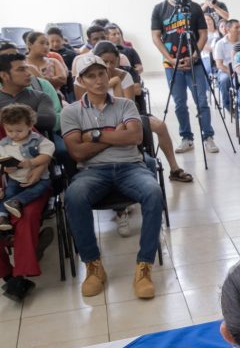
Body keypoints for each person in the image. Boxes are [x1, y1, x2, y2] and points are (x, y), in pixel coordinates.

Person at [61, 55, 163, 299]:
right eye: (91, 76)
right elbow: (77, 153)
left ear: (108, 75)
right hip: (92, 171)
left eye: (101, 74)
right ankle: (93, 266)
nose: (98, 80)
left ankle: (144, 267)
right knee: (74, 195)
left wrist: (94, 136)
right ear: (81, 80)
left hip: (130, 166)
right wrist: (115, 135)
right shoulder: (71, 112)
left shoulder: (125, 105)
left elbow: (135, 137)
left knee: (153, 191)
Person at [82, 46, 193, 188]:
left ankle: (174, 168)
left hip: (128, 116)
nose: (109, 66)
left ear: (118, 60)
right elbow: (83, 105)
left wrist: (116, 82)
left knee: (160, 125)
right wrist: (111, 83)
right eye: (105, 62)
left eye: (112, 62)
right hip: (97, 118)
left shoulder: (125, 74)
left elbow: (128, 107)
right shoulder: (86, 78)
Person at [150, 0, 218, 155]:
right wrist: (170, 59)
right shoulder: (159, 9)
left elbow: (203, 33)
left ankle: (208, 137)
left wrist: (194, 56)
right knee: (180, 103)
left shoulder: (194, 7)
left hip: (194, 63)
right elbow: (156, 37)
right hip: (172, 65)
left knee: (202, 101)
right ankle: (186, 138)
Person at [0, 103, 55, 300]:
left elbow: (44, 153)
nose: (13, 133)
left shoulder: (14, 121)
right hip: (8, 185)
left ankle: (20, 274)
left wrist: (38, 170)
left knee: (27, 214)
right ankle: (8, 275)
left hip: (29, 182)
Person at [0, 53, 56, 133]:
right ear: (4, 75)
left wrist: (9, 115)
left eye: (27, 68)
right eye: (21, 69)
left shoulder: (41, 97)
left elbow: (49, 121)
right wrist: (28, 116)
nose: (29, 73)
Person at [212, 19, 240, 111]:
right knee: (224, 80)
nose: (239, 30)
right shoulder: (220, 44)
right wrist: (232, 73)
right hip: (226, 70)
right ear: (228, 29)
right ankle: (228, 105)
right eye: (236, 27)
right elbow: (219, 65)